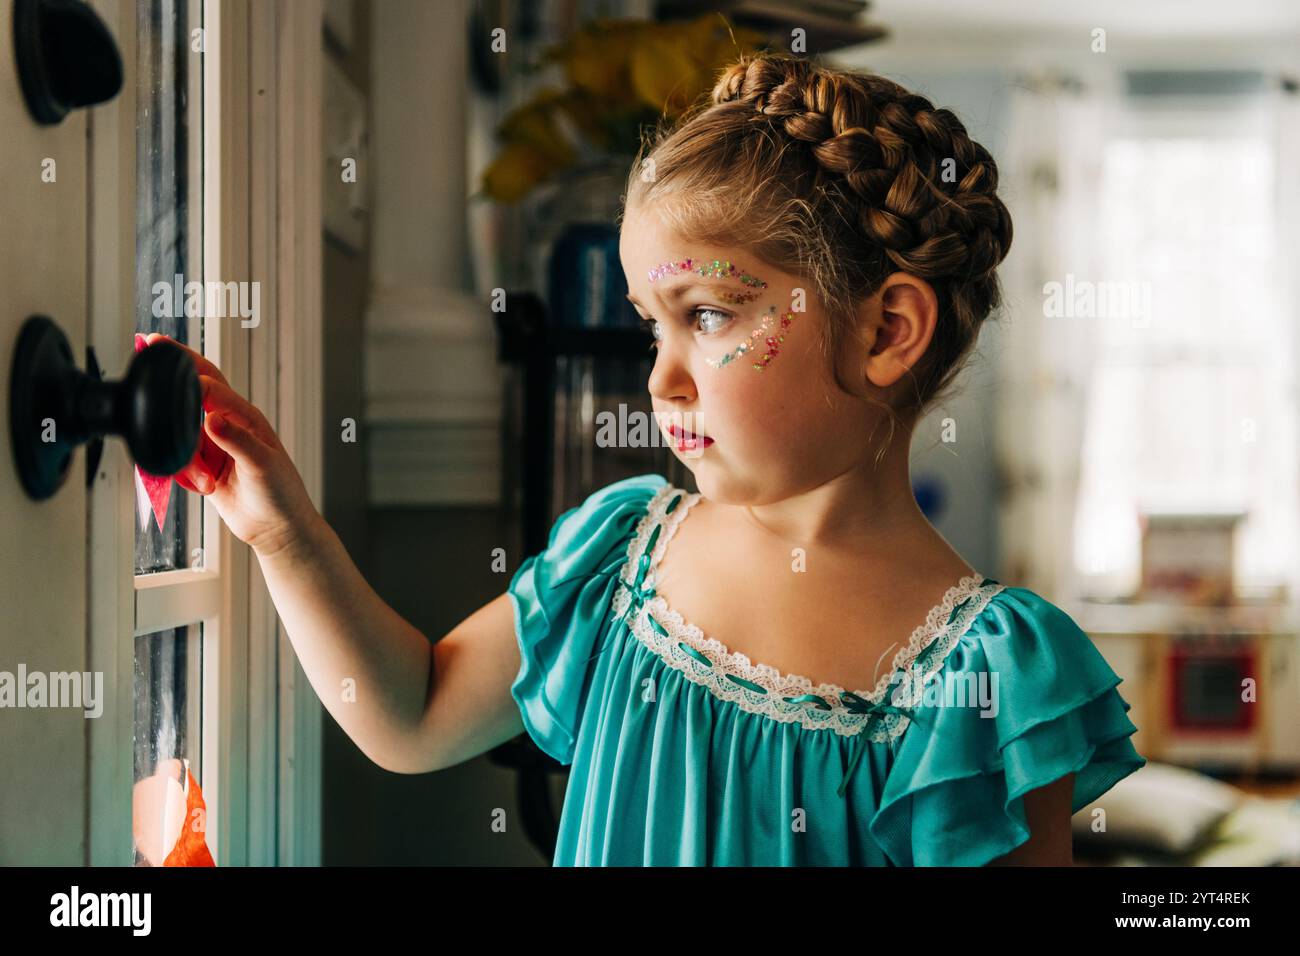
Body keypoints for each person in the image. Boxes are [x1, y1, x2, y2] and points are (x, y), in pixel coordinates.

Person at [157, 51, 1144, 866]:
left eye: (707, 315)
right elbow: (409, 715)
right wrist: (284, 530)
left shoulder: (986, 679)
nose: (661, 379)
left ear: (886, 328)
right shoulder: (621, 552)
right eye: (649, 327)